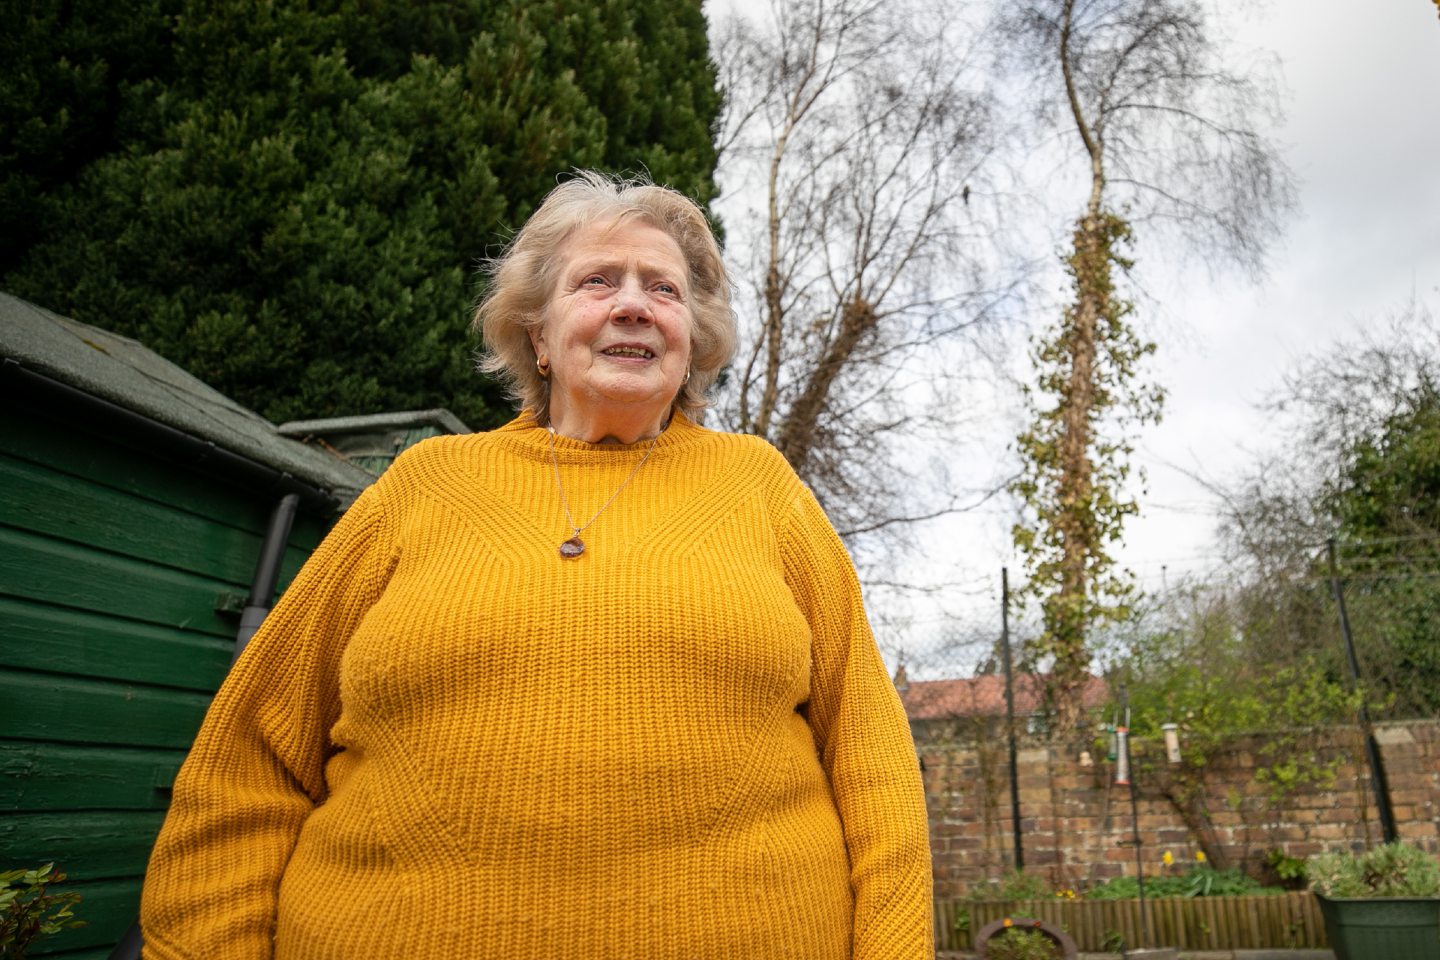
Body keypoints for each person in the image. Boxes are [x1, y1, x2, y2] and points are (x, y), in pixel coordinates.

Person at [139, 171, 932, 958]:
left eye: (663, 289)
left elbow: (873, 763)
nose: (634, 304)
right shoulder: (423, 486)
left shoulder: (761, 489)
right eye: (597, 281)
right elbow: (248, 765)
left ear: (692, 340)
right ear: (539, 335)